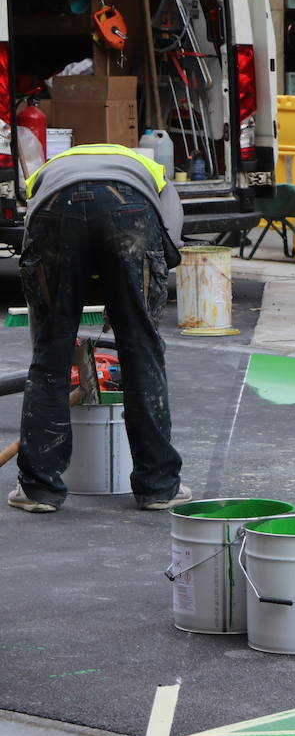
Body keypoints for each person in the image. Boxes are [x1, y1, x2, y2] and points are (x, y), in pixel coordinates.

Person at [8, 143, 189, 513]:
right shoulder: (153, 174)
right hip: (130, 208)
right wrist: (124, 294)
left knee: (49, 355)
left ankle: (39, 489)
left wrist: (73, 292)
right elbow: (169, 248)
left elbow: (35, 245)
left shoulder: (46, 174)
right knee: (141, 350)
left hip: (54, 209)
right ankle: (158, 486)